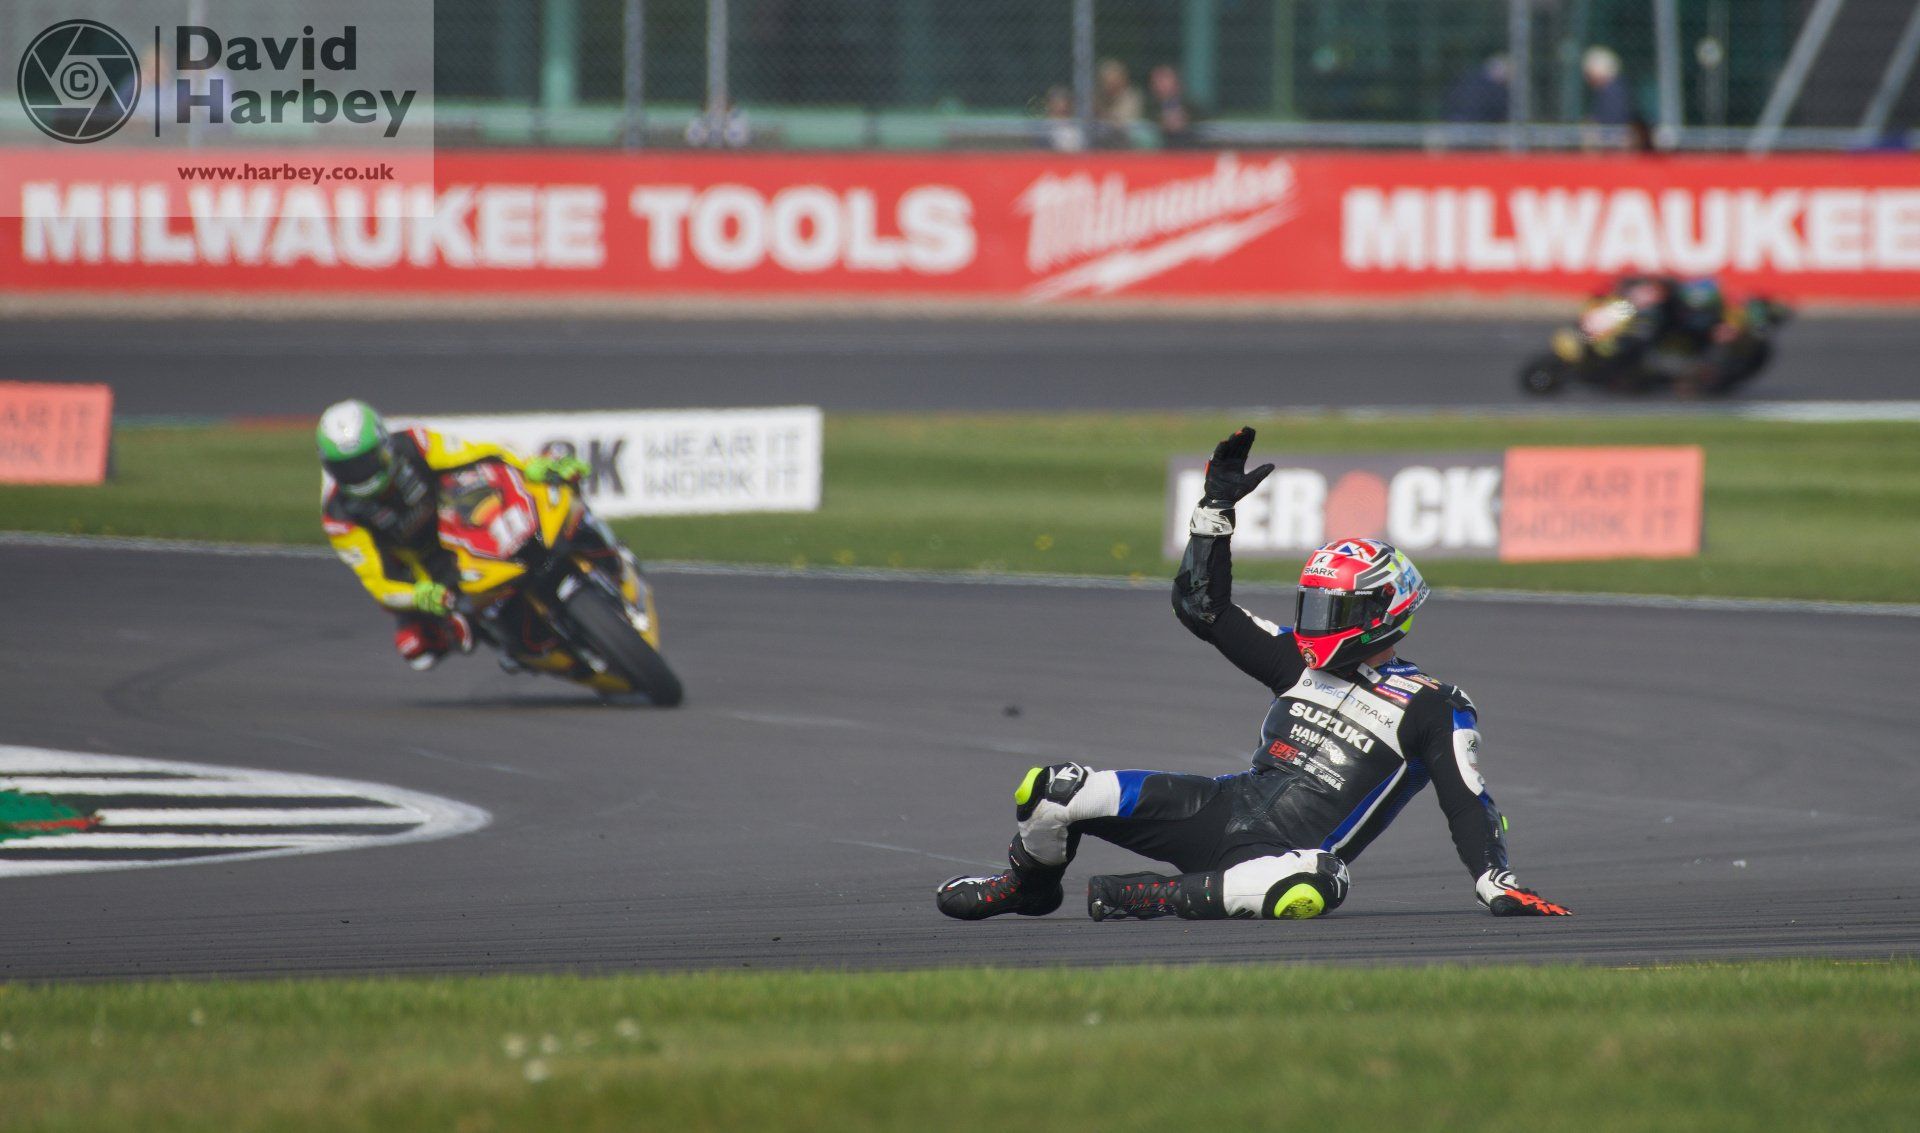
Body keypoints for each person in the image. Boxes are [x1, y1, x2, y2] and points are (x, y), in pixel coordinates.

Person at [936, 427, 1571, 923]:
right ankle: (1028, 886)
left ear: (1383, 613)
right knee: (1052, 789)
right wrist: (1214, 509)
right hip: (1219, 809)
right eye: (1313, 606)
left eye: (1334, 610)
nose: (1317, 624)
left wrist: (1497, 883)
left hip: (1282, 858)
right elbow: (1201, 607)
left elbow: (1468, 802)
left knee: (1319, 881)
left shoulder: (1434, 705)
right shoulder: (1296, 658)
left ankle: (1154, 897)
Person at [316, 400, 591, 671]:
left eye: (365, 462)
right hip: (426, 569)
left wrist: (530, 465)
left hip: (462, 517)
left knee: (551, 497)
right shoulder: (339, 516)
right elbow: (377, 582)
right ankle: (512, 643)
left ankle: (586, 539)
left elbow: (480, 453)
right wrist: (418, 595)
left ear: (383, 446)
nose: (359, 475)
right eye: (346, 469)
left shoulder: (414, 443)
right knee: (416, 647)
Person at [1148, 64, 1201, 148]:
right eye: (1158, 80)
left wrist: (1184, 122)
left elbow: (1203, 128)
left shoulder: (1192, 107)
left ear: (1177, 82)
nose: (1161, 84)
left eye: (1165, 79)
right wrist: (1161, 123)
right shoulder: (1149, 107)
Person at [1583, 46, 1634, 126]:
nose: (1587, 78)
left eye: (1588, 73)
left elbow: (1611, 122)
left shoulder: (1613, 92)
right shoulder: (1607, 90)